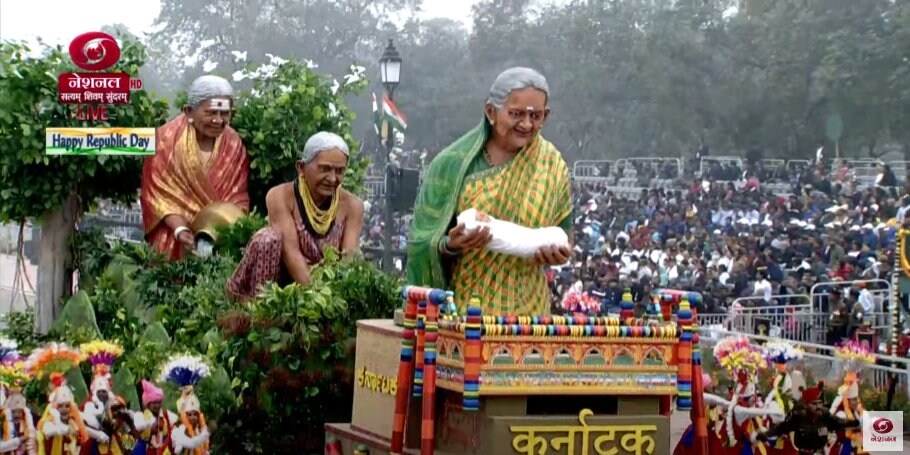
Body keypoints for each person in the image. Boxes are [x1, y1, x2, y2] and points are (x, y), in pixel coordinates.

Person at [407, 67, 573, 315]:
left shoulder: (552, 163)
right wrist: (450, 244)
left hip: (531, 319)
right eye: (516, 114)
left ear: (546, 116)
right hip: (468, 313)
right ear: (491, 112)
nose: (527, 124)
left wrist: (558, 254)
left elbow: (566, 236)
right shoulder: (451, 165)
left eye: (536, 116)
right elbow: (421, 241)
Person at [227, 132, 364, 301]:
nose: (332, 178)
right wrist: (316, 297)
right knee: (267, 239)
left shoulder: (352, 205)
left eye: (340, 171)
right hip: (285, 286)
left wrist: (337, 297)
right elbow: (290, 251)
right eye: (325, 169)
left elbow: (349, 255)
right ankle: (261, 310)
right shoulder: (280, 196)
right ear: (301, 167)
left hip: (327, 287)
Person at [141, 75, 251, 260]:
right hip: (174, 234)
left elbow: (238, 196)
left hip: (218, 236)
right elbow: (157, 194)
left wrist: (220, 227)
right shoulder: (165, 140)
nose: (218, 120)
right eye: (211, 113)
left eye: (224, 113)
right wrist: (180, 229)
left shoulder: (233, 143)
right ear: (189, 111)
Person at [757, 383, 860, 455]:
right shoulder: (798, 417)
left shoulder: (826, 417)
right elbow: (780, 429)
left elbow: (841, 423)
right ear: (807, 405)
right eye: (814, 404)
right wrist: (766, 435)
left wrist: (856, 422)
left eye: (820, 403)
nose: (818, 406)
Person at [132, 380, 176, 455]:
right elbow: (138, 428)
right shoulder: (141, 416)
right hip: (144, 451)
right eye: (154, 403)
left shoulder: (167, 416)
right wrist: (150, 423)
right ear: (148, 404)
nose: (157, 405)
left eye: (159, 402)